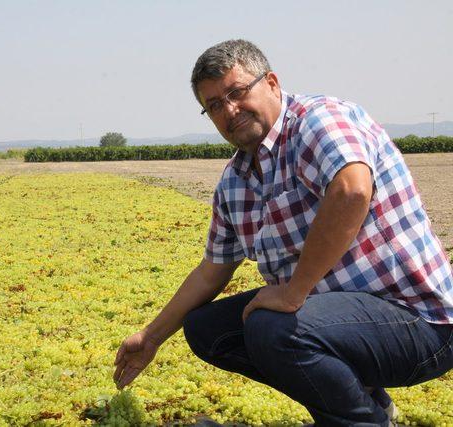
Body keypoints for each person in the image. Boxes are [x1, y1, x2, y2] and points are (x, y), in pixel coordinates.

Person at [112, 39, 453, 426]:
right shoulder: (235, 182)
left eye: (236, 92)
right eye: (214, 105)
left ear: (272, 83)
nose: (230, 110)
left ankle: (361, 422)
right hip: (345, 324)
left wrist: (295, 291)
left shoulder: (318, 120)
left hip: (420, 322)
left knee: (273, 327)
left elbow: (352, 189)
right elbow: (212, 269)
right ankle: (365, 402)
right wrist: (151, 336)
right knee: (206, 329)